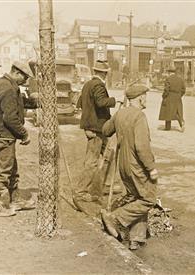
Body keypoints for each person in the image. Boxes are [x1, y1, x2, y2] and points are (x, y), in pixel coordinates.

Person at [101, 84, 158, 251]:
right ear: (140, 98)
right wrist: (151, 167)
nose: (146, 99)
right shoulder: (139, 116)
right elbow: (142, 147)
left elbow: (105, 130)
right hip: (137, 166)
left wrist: (118, 116)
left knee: (137, 198)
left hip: (123, 165)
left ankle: (136, 239)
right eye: (145, 96)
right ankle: (116, 218)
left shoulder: (121, 113)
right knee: (148, 199)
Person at [0, 61, 35, 217]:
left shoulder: (2, 83)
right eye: (25, 77)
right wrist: (24, 133)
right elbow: (10, 118)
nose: (26, 81)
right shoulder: (8, 88)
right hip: (4, 135)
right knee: (3, 170)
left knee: (12, 168)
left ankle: (15, 199)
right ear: (17, 73)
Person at [74, 60, 120, 204]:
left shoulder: (87, 84)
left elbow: (80, 103)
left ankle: (101, 186)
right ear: (104, 74)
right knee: (92, 162)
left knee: (109, 156)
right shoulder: (99, 85)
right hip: (97, 129)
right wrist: (114, 100)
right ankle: (80, 191)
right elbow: (101, 102)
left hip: (95, 128)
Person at [158, 67, 186, 132]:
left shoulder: (168, 79)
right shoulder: (180, 79)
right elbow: (183, 90)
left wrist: (164, 96)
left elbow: (166, 89)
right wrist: (179, 95)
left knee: (168, 111)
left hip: (169, 97)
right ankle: (181, 123)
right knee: (177, 111)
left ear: (170, 72)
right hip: (178, 97)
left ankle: (167, 127)